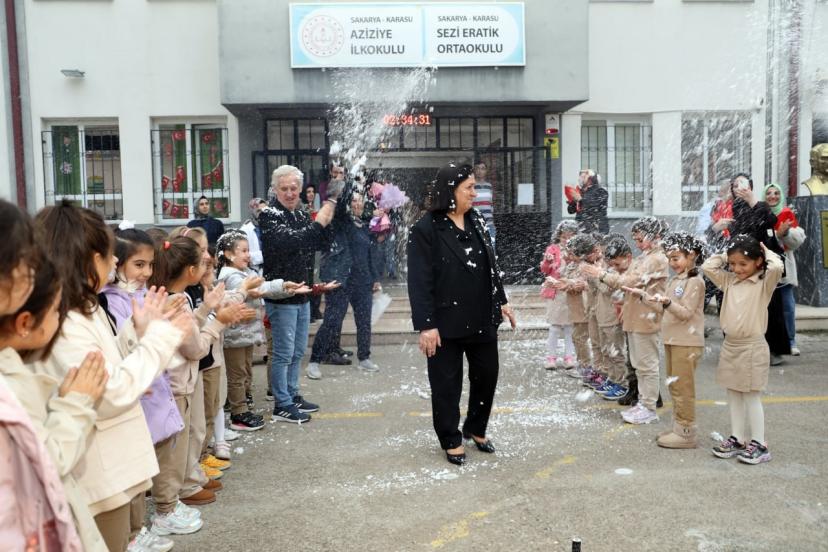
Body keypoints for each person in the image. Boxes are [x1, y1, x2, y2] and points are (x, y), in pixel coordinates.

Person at [34, 201, 190, 551]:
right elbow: (110, 392)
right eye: (110, 255)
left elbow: (107, 362)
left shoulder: (82, 306)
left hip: (109, 468)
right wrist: (159, 340)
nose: (115, 262)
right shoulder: (63, 319)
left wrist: (137, 333)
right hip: (96, 475)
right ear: (91, 259)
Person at [407, 162, 516, 466]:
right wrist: (426, 325)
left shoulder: (476, 219)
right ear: (450, 191)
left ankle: (476, 427)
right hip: (444, 323)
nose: (474, 192)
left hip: (482, 316)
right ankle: (450, 438)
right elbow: (418, 281)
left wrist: (501, 300)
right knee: (446, 385)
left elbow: (491, 263)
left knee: (487, 375)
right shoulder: (425, 228)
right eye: (468, 187)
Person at [259, 165, 338, 424]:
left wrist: (327, 222)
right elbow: (294, 241)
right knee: (283, 353)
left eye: (294, 188)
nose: (290, 193)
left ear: (301, 188)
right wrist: (318, 223)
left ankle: (292, 394)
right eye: (284, 188)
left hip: (303, 293)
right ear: (275, 189)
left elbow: (320, 243)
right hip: (282, 295)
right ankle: (282, 404)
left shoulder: (301, 214)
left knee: (297, 352)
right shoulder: (269, 215)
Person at [703, 235, 784, 464]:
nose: (737, 269)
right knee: (733, 393)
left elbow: (777, 266)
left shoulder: (764, 283)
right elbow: (708, 266)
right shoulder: (729, 280)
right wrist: (726, 253)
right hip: (731, 346)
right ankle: (737, 438)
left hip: (752, 346)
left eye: (743, 263)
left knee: (751, 395)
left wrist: (765, 251)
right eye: (733, 264)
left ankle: (759, 444)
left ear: (758, 262)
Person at [582, 216, 669, 425]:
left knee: (647, 365)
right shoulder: (647, 257)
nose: (637, 244)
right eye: (635, 240)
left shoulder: (656, 258)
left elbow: (629, 281)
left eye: (640, 239)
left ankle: (649, 405)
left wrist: (601, 274)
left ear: (655, 236)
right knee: (639, 364)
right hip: (636, 315)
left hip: (646, 316)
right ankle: (644, 401)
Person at [216, 230, 306, 430]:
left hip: (244, 334)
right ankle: (239, 413)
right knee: (237, 375)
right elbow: (255, 290)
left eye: (248, 250)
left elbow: (263, 285)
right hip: (234, 335)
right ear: (229, 254)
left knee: (245, 372)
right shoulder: (230, 276)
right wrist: (280, 287)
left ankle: (242, 403)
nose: (248, 254)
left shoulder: (245, 272)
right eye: (243, 250)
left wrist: (284, 286)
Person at [630, 232, 706, 448]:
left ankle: (687, 433)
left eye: (676, 258)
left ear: (691, 255)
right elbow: (665, 309)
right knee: (674, 386)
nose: (672, 263)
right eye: (670, 259)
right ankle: (678, 428)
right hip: (673, 340)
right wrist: (644, 296)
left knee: (683, 388)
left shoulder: (695, 281)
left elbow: (685, 312)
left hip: (687, 342)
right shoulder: (677, 279)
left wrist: (666, 303)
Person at [307, 192, 381, 379]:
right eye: (354, 200)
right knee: (332, 321)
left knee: (364, 322)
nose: (357, 204)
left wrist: (374, 278)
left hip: (362, 281)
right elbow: (340, 207)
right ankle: (314, 361)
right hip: (341, 280)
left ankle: (364, 357)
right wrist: (343, 186)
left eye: (360, 200)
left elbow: (370, 254)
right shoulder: (342, 223)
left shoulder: (365, 226)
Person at [729, 174, 789, 364]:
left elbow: (770, 221)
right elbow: (743, 232)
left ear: (751, 186)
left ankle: (774, 349)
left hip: (764, 264)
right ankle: (749, 349)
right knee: (748, 309)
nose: (740, 188)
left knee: (771, 306)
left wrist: (753, 201)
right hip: (745, 265)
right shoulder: (736, 207)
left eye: (744, 184)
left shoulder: (759, 204)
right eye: (736, 185)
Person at [764, 183, 806, 356]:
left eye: (776, 193)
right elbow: (760, 238)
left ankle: (790, 340)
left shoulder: (787, 214)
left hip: (785, 267)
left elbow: (797, 241)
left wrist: (786, 234)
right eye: (769, 193)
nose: (772, 196)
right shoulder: (761, 214)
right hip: (766, 268)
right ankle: (769, 342)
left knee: (787, 306)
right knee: (767, 308)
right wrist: (777, 235)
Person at [540, 220, 578, 370]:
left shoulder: (577, 250)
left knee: (569, 327)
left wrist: (571, 260)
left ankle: (569, 356)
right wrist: (547, 261)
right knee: (555, 327)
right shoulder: (552, 249)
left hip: (571, 291)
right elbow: (545, 270)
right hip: (556, 293)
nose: (566, 240)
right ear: (559, 236)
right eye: (564, 237)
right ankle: (551, 357)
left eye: (570, 236)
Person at [566, 169, 609, 234]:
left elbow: (593, 206)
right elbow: (570, 211)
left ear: (590, 179)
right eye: (580, 177)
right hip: (580, 227)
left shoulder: (600, 191)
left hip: (596, 228)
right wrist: (573, 201)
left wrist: (580, 200)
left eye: (583, 177)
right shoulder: (581, 192)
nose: (580, 179)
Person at [240, 198, 268, 273]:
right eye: (259, 211)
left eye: (265, 210)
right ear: (252, 211)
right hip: (253, 271)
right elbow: (242, 255)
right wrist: (265, 255)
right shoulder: (245, 230)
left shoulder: (271, 227)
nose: (263, 213)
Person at [472, 162, 496, 246]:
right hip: (475, 224)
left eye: (482, 168)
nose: (480, 171)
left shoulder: (489, 186)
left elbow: (491, 204)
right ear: (474, 170)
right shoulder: (471, 186)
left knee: (491, 249)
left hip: (489, 224)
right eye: (477, 168)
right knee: (477, 249)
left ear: (486, 171)